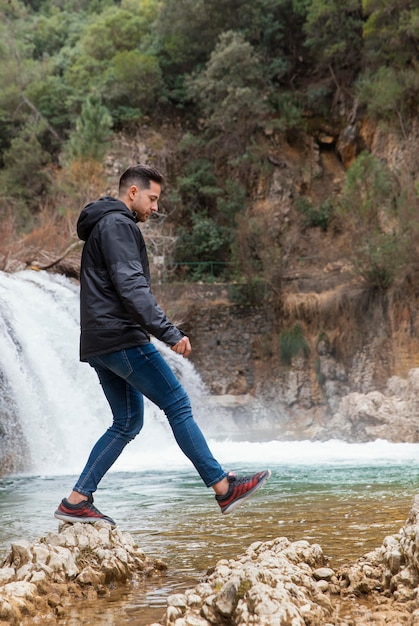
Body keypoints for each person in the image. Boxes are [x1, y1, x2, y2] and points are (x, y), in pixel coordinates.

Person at [54, 164, 270, 528]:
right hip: (121, 337)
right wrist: (169, 332)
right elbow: (131, 286)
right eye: (152, 198)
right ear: (132, 193)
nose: (155, 207)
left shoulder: (102, 226)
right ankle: (222, 487)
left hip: (98, 341)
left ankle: (76, 500)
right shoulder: (118, 225)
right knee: (178, 403)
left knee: (126, 422)